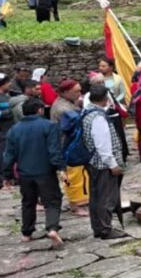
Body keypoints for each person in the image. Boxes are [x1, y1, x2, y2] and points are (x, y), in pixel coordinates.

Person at [3, 98, 65, 247]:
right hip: (45, 171)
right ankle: (52, 228)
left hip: (24, 173)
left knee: (28, 202)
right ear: (40, 110)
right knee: (52, 201)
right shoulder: (49, 126)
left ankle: (27, 232)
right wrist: (61, 168)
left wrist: (7, 175)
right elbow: (54, 150)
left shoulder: (14, 129)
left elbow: (8, 154)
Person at [82, 84, 126, 240]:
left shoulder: (87, 113)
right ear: (105, 99)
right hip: (102, 163)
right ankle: (105, 228)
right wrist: (113, 164)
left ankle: (98, 227)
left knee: (96, 196)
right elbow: (102, 144)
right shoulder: (98, 118)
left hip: (94, 162)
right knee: (106, 197)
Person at [49, 78, 89, 216]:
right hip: (67, 145)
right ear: (65, 92)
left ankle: (79, 200)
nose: (79, 94)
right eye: (76, 91)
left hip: (72, 143)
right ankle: (75, 205)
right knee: (72, 176)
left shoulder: (68, 103)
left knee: (78, 175)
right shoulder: (63, 108)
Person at [0, 72, 15, 189]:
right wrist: (12, 110)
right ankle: (1, 181)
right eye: (7, 82)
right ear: (1, 84)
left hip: (10, 129)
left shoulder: (7, 95)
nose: (10, 84)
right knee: (2, 156)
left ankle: (12, 178)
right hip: (0, 131)